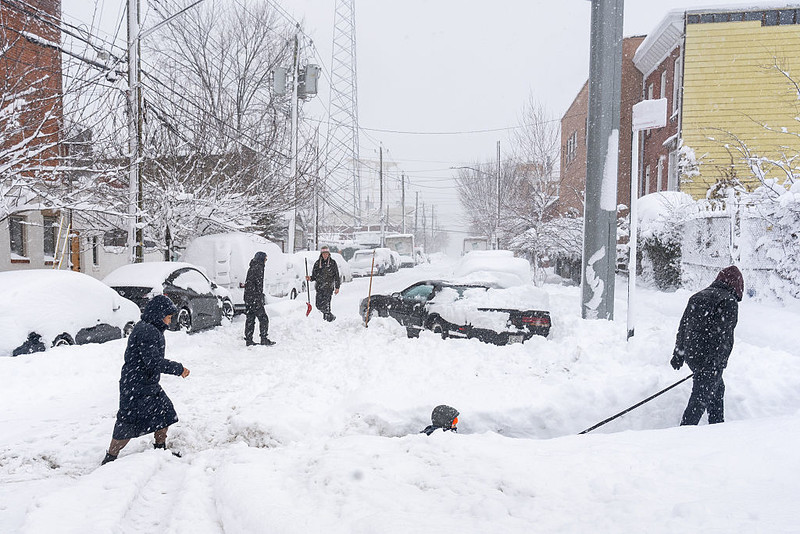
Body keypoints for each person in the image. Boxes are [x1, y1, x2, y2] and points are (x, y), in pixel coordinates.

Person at [102, 295, 190, 465]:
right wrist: (178, 369)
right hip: (136, 386)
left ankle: (160, 448)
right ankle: (110, 458)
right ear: (159, 315)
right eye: (168, 317)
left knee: (165, 412)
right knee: (127, 422)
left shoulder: (150, 328)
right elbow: (153, 362)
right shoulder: (147, 332)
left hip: (145, 383)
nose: (170, 321)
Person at [671, 265, 743, 426]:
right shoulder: (728, 301)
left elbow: (684, 326)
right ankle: (683, 434)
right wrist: (715, 363)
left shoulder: (697, 297)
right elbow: (723, 337)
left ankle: (716, 425)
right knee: (699, 399)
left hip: (692, 355)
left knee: (717, 389)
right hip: (710, 359)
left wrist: (678, 353)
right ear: (736, 285)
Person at [244, 251, 274, 346]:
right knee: (264, 319)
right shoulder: (258, 268)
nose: (266, 261)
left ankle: (249, 340)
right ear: (261, 259)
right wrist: (259, 297)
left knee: (250, 318)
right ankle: (264, 339)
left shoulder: (252, 267)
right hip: (254, 298)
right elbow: (257, 285)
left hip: (248, 297)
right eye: (265, 259)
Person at [306, 246, 341, 322]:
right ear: (321, 254)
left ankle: (327, 320)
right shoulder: (317, 263)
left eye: (326, 253)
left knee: (326, 305)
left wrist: (337, 287)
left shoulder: (332, 263)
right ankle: (330, 317)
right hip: (319, 288)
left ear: (329, 254)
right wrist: (310, 278)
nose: (325, 255)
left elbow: (337, 276)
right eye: (323, 254)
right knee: (318, 305)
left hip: (328, 288)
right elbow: (314, 276)